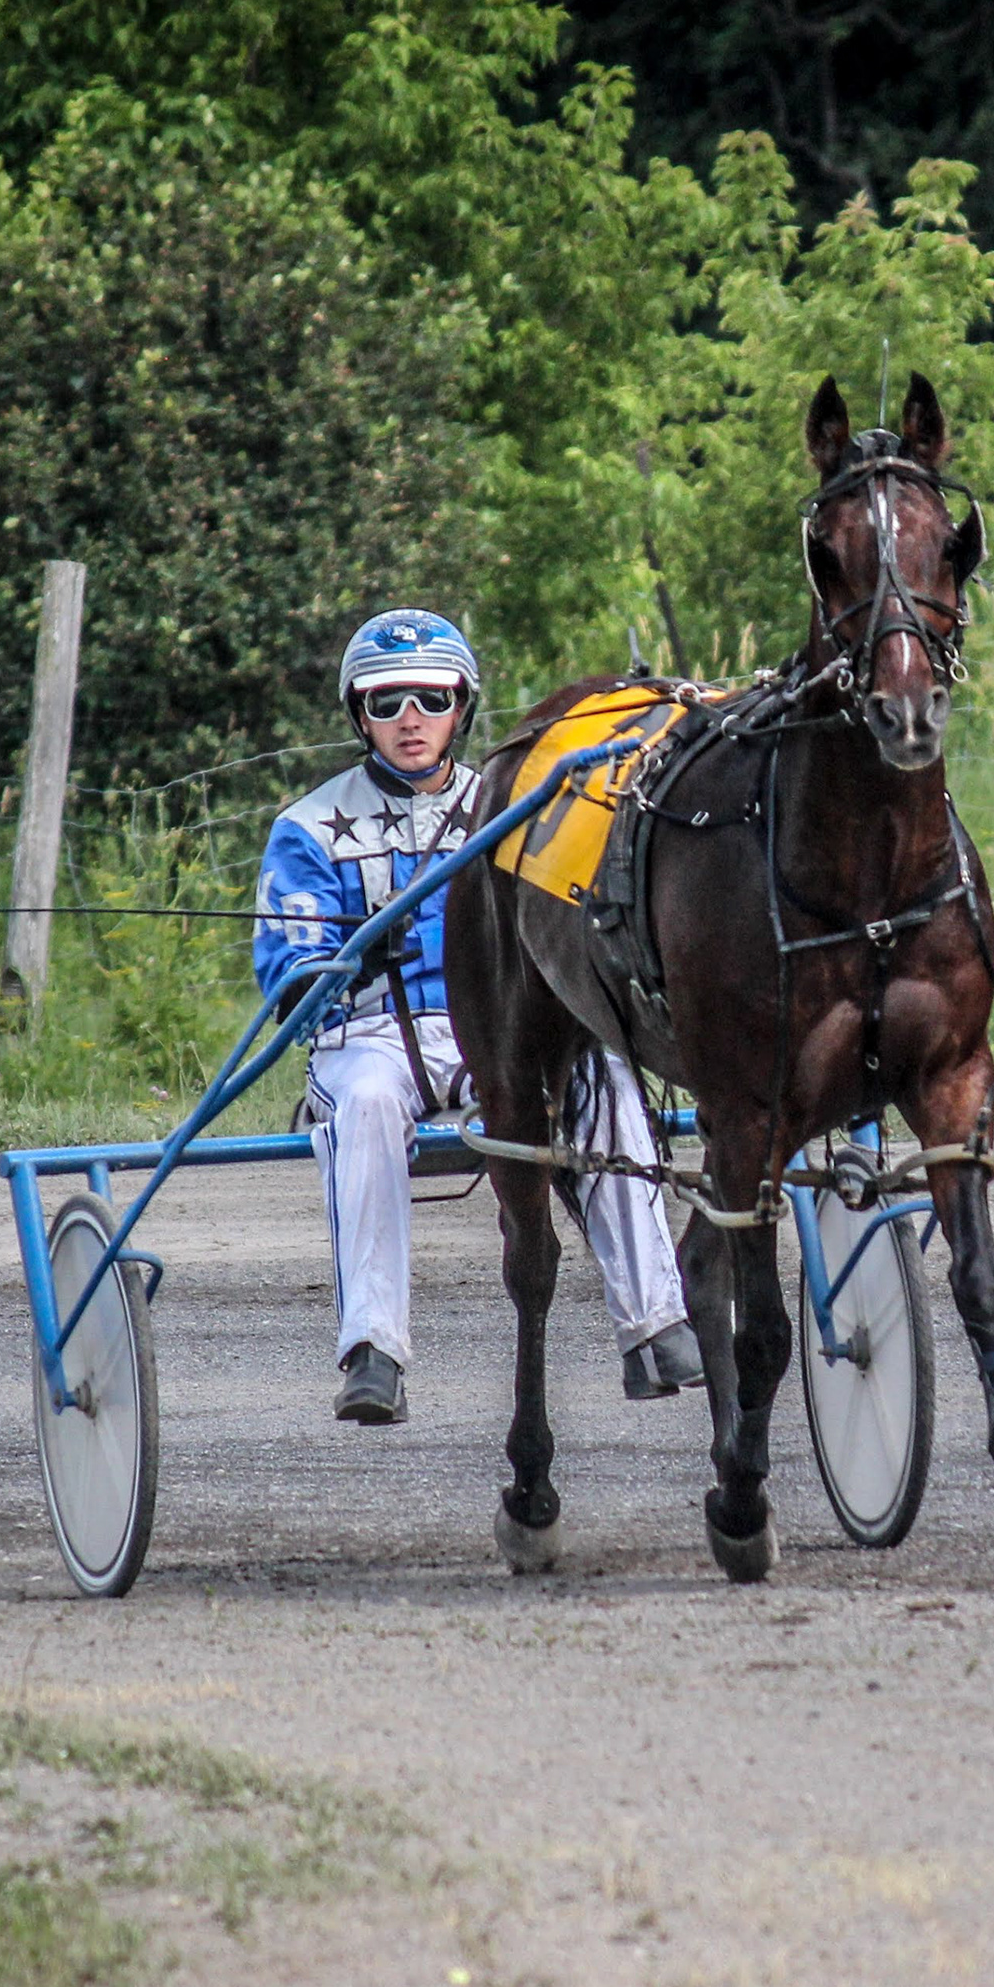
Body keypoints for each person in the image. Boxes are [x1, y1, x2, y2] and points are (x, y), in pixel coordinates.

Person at [253, 609, 701, 1425]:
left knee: (600, 1074)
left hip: (497, 1028)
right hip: (371, 1038)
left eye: (431, 698)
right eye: (386, 702)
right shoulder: (309, 828)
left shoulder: (514, 808)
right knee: (368, 1105)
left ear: (461, 706)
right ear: (359, 715)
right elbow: (289, 969)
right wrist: (342, 959)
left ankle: (655, 1324)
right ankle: (373, 1351)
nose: (410, 719)